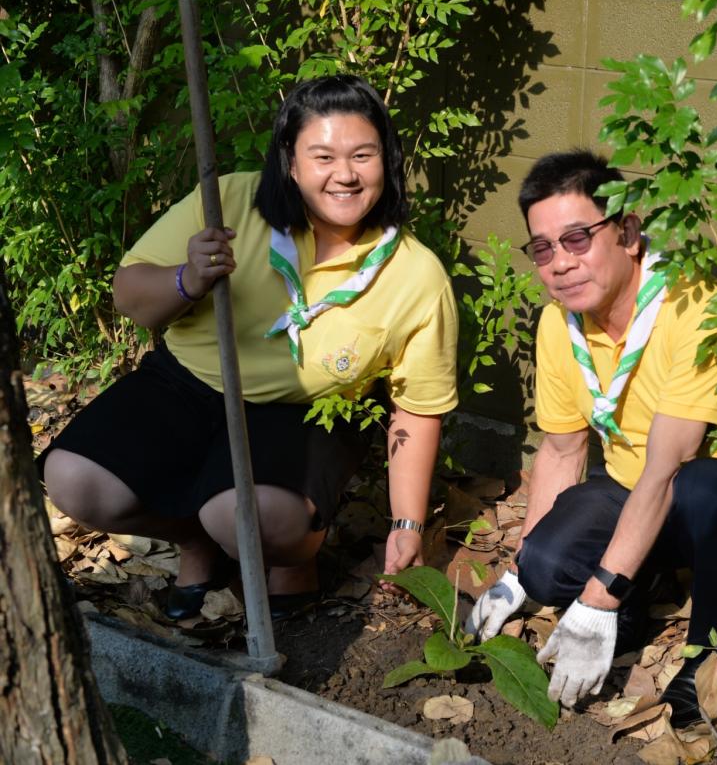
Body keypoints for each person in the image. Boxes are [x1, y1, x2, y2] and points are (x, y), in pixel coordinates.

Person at [40, 75, 457, 620]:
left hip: (305, 413)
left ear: (388, 159)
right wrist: (188, 278)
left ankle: (288, 560)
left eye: (363, 155)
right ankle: (196, 538)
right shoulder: (229, 202)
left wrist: (407, 525)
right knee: (75, 479)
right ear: (290, 162)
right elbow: (129, 295)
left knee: (250, 514)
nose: (346, 175)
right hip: (187, 385)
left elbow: (417, 409)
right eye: (323, 156)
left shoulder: (416, 274)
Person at [466, 149, 717, 725]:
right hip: (637, 492)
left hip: (716, 503)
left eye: (577, 238)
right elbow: (560, 450)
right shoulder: (560, 321)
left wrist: (598, 596)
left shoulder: (694, 306)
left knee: (704, 484)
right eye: (543, 248)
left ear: (627, 232)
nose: (559, 264)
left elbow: (669, 469)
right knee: (546, 565)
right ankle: (632, 600)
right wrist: (517, 575)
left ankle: (716, 647)